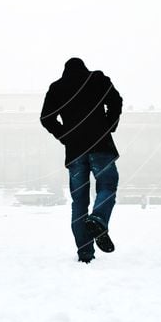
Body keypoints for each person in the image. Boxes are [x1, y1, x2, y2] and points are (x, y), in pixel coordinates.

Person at [40, 57, 123, 263]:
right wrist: (108, 125)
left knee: (79, 202)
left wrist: (65, 135)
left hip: (75, 151)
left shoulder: (57, 88)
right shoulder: (96, 79)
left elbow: (46, 118)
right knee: (107, 185)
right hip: (101, 145)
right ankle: (99, 218)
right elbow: (116, 100)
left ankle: (85, 252)